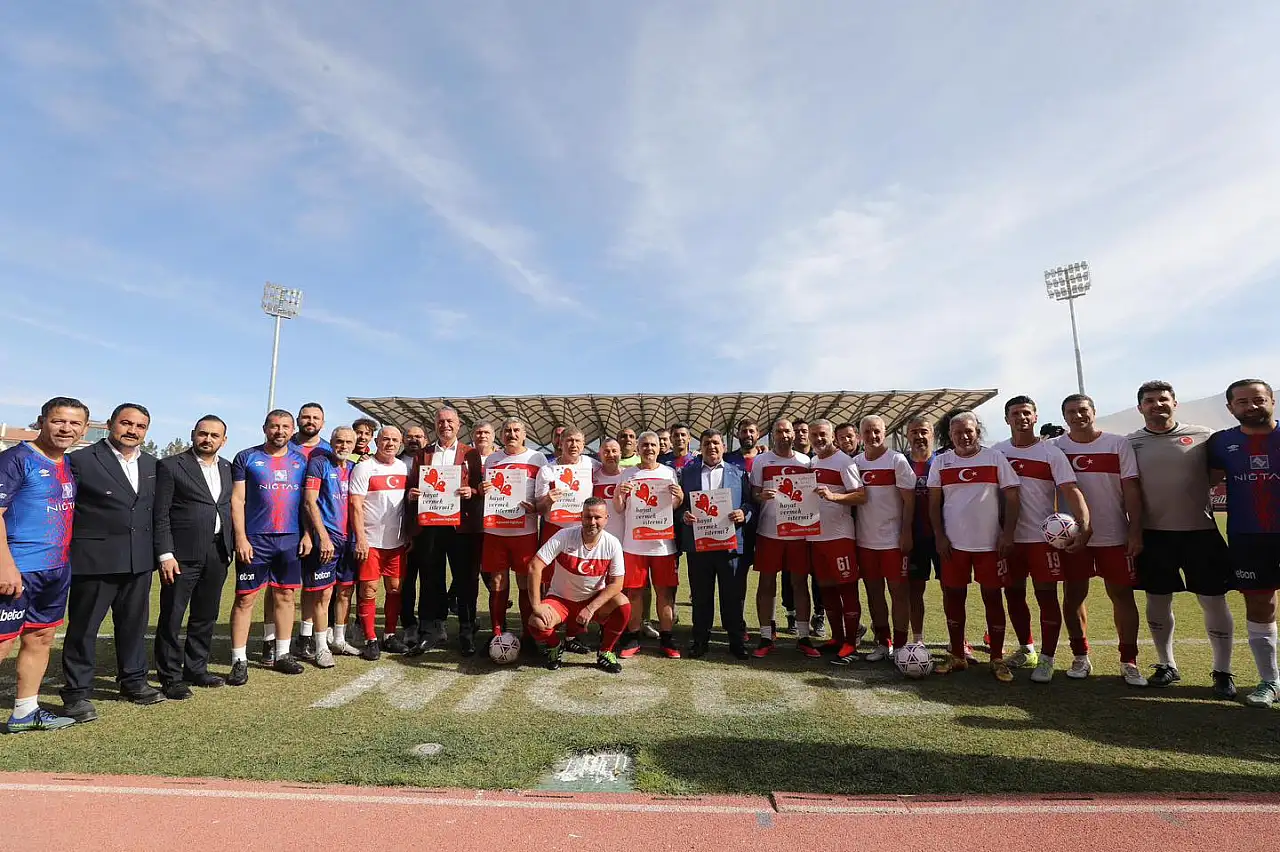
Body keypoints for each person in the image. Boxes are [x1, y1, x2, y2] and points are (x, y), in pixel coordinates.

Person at [1128, 381, 1236, 696]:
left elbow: (1215, 475)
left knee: (1214, 601)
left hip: (1200, 534)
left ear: (1175, 403)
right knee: (1157, 600)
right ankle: (1166, 664)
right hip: (1154, 536)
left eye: (1163, 399)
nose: (1157, 404)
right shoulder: (1129, 442)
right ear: (1141, 407)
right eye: (1149, 400)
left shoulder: (1204, 436)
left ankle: (1223, 671)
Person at [61, 403, 164, 722]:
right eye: (126, 423)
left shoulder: (152, 464)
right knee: (84, 628)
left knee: (133, 625)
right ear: (110, 424)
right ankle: (77, 693)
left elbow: (154, 513)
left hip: (139, 559)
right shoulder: (79, 460)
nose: (132, 430)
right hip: (95, 560)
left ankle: (133, 681)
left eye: (140, 426)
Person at [0, 397, 88, 732]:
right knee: (3, 642)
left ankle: (25, 711)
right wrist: (4, 565)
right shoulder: (15, 459)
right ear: (42, 421)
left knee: (41, 637)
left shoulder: (66, 464)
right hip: (18, 568)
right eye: (58, 421)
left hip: (56, 568)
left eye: (74, 423)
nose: (66, 429)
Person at [993, 397, 1091, 684]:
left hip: (1042, 539)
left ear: (1035, 417)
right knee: (1012, 593)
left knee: (1045, 595)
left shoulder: (1050, 453)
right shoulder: (997, 452)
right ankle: (1027, 649)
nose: (1021, 418)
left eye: (1026, 413)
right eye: (1015, 413)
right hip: (1008, 538)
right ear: (1007, 419)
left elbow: (1070, 489)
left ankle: (1047, 659)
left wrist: (1085, 524)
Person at [1053, 394, 1147, 686]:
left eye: (1083, 410)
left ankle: (1129, 661)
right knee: (1073, 596)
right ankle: (1080, 656)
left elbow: (1131, 488)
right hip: (1073, 538)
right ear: (1064, 417)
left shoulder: (1117, 443)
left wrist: (1135, 529)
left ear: (1094, 412)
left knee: (1121, 595)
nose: (1078, 416)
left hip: (1114, 534)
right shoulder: (1056, 448)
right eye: (1071, 412)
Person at [928, 411, 1022, 681]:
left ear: (977, 431)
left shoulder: (994, 457)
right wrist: (940, 536)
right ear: (950, 435)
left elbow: (1012, 497)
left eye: (968, 431)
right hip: (954, 545)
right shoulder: (942, 462)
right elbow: (934, 503)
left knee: (993, 598)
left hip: (990, 545)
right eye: (957, 432)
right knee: (954, 598)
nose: (964, 436)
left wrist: (1008, 533)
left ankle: (996, 659)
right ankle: (958, 655)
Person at [1208, 378, 1280, 707]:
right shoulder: (1221, 443)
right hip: (1248, 536)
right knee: (1260, 605)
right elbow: (1202, 481)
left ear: (1271, 401)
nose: (1251, 406)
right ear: (1230, 408)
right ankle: (1271, 680)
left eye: (1257, 399)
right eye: (1242, 402)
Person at [152, 415, 234, 699]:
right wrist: (165, 554)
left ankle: (196, 668)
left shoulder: (227, 467)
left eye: (214, 435)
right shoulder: (171, 465)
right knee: (173, 616)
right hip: (181, 556)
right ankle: (170, 676)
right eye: (203, 434)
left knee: (206, 614)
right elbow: (160, 513)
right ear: (193, 434)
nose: (207, 439)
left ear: (224, 440)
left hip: (217, 551)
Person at [227, 410, 311, 686]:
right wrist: (240, 537)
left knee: (285, 596)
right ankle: (238, 660)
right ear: (265, 428)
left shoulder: (301, 460)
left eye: (286, 426)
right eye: (275, 426)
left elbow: (306, 503)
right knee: (245, 598)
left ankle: (283, 654)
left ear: (292, 429)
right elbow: (237, 500)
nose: (280, 431)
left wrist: (307, 534)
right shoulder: (246, 457)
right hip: (256, 539)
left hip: (289, 538)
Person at [406, 407, 484, 656]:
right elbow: (411, 487)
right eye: (441, 421)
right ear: (435, 425)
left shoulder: (470, 454)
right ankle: (429, 632)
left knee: (465, 581)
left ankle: (466, 632)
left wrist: (472, 492)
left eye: (450, 421)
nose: (445, 425)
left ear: (459, 425)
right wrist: (412, 494)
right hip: (430, 527)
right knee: (430, 580)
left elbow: (480, 487)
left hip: (460, 527)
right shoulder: (423, 453)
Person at [526, 498, 631, 674]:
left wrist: (590, 608)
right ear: (580, 516)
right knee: (536, 622)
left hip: (591, 600)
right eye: (588, 517)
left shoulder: (612, 543)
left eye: (597, 517)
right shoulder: (565, 535)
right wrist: (536, 605)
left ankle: (606, 652)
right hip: (560, 600)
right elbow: (534, 566)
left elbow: (617, 583)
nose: (592, 522)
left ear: (606, 518)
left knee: (623, 604)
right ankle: (555, 646)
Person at [678, 429, 752, 659]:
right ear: (700, 447)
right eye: (707, 443)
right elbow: (679, 504)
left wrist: (743, 513)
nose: (712, 447)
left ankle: (736, 642)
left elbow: (750, 503)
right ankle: (700, 640)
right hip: (699, 546)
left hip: (730, 545)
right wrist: (684, 515)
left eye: (716, 443)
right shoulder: (688, 473)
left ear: (723, 447)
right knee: (701, 596)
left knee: (732, 596)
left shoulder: (738, 473)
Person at [852, 415, 916, 662]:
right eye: (867, 431)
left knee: (898, 593)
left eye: (877, 431)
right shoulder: (855, 463)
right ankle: (883, 642)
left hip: (892, 541)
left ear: (885, 432)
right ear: (861, 436)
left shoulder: (897, 460)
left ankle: (900, 645)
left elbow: (910, 500)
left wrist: (906, 532)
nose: (873, 436)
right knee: (874, 593)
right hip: (865, 540)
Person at [613, 431, 683, 658]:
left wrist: (680, 497)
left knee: (664, 593)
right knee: (634, 594)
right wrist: (619, 495)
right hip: (634, 545)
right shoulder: (628, 473)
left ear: (659, 448)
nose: (649, 449)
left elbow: (672, 506)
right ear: (638, 448)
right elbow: (619, 508)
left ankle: (667, 638)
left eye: (653, 445)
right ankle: (633, 637)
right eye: (644, 445)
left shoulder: (668, 472)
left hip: (663, 545)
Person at [748, 418, 814, 657]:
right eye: (780, 431)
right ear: (772, 435)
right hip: (769, 531)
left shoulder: (806, 461)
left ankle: (804, 637)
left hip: (798, 531)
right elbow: (754, 493)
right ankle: (766, 636)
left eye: (788, 431)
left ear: (794, 435)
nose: (784, 435)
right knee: (767, 583)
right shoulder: (761, 461)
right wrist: (761, 495)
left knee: (799, 583)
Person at [806, 420, 867, 663]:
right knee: (827, 589)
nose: (818, 439)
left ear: (832, 436)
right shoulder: (812, 462)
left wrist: (833, 496)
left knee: (847, 589)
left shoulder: (844, 461)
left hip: (839, 536)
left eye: (823, 435)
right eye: (814, 435)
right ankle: (837, 637)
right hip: (816, 536)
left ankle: (851, 642)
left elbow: (861, 495)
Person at [480, 418, 546, 643]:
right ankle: (497, 633)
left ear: (524, 434)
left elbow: (542, 495)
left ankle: (529, 635)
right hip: (496, 531)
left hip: (524, 532)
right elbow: (486, 492)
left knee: (525, 582)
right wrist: (482, 488)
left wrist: (536, 507)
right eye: (507, 430)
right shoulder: (492, 459)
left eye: (516, 430)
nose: (512, 434)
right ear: (501, 434)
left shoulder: (537, 458)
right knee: (498, 582)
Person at [349, 426, 409, 660]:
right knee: (368, 590)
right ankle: (371, 638)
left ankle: (390, 635)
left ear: (400, 442)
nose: (390, 444)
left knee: (395, 589)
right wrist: (361, 538)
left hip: (397, 542)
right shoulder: (364, 467)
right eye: (386, 439)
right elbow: (355, 505)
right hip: (371, 542)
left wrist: (409, 535)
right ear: (377, 441)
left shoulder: (403, 467)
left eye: (395, 440)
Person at [300, 426, 357, 668]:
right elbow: (309, 501)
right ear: (331, 442)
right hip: (328, 539)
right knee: (323, 594)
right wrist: (321, 536)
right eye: (339, 441)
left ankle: (340, 640)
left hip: (350, 540)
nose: (343, 446)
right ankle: (321, 646)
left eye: (348, 442)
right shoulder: (319, 463)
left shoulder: (355, 468)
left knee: (345, 592)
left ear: (354, 445)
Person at [903, 417, 937, 646]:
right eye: (914, 432)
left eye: (923, 431)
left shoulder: (943, 461)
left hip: (944, 536)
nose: (919, 436)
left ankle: (960, 641)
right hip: (914, 537)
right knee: (914, 590)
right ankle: (917, 640)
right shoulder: (901, 463)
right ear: (907, 436)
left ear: (932, 434)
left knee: (953, 589)